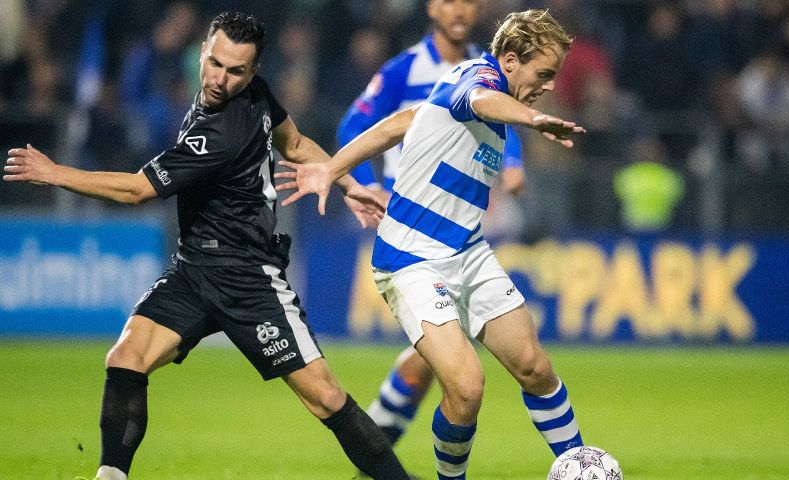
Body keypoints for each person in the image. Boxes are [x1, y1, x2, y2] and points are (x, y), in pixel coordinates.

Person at [3, 12, 409, 480]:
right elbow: (294, 143)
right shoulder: (249, 94)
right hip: (194, 268)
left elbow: (138, 191)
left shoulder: (220, 132)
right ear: (203, 51)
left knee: (326, 398)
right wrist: (348, 183)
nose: (221, 79)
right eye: (216, 64)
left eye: (237, 72)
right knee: (126, 358)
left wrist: (56, 174)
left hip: (247, 276)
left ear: (253, 72)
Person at [277, 9, 586, 479]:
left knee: (535, 368)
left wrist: (332, 169)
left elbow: (397, 124)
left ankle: (581, 465)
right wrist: (534, 118)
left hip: (469, 252)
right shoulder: (478, 81)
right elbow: (481, 101)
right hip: (412, 261)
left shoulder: (462, 85)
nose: (546, 84)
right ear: (509, 60)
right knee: (466, 386)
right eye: (542, 74)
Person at [336, 0, 526, 452]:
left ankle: (376, 442)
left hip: (460, 220)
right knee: (451, 355)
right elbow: (353, 124)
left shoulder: (490, 66)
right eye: (448, 0)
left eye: (468, 1)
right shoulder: (404, 69)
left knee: (441, 355)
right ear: (431, 8)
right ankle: (378, 442)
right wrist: (366, 185)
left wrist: (514, 161)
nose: (459, 9)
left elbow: (501, 114)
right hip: (412, 223)